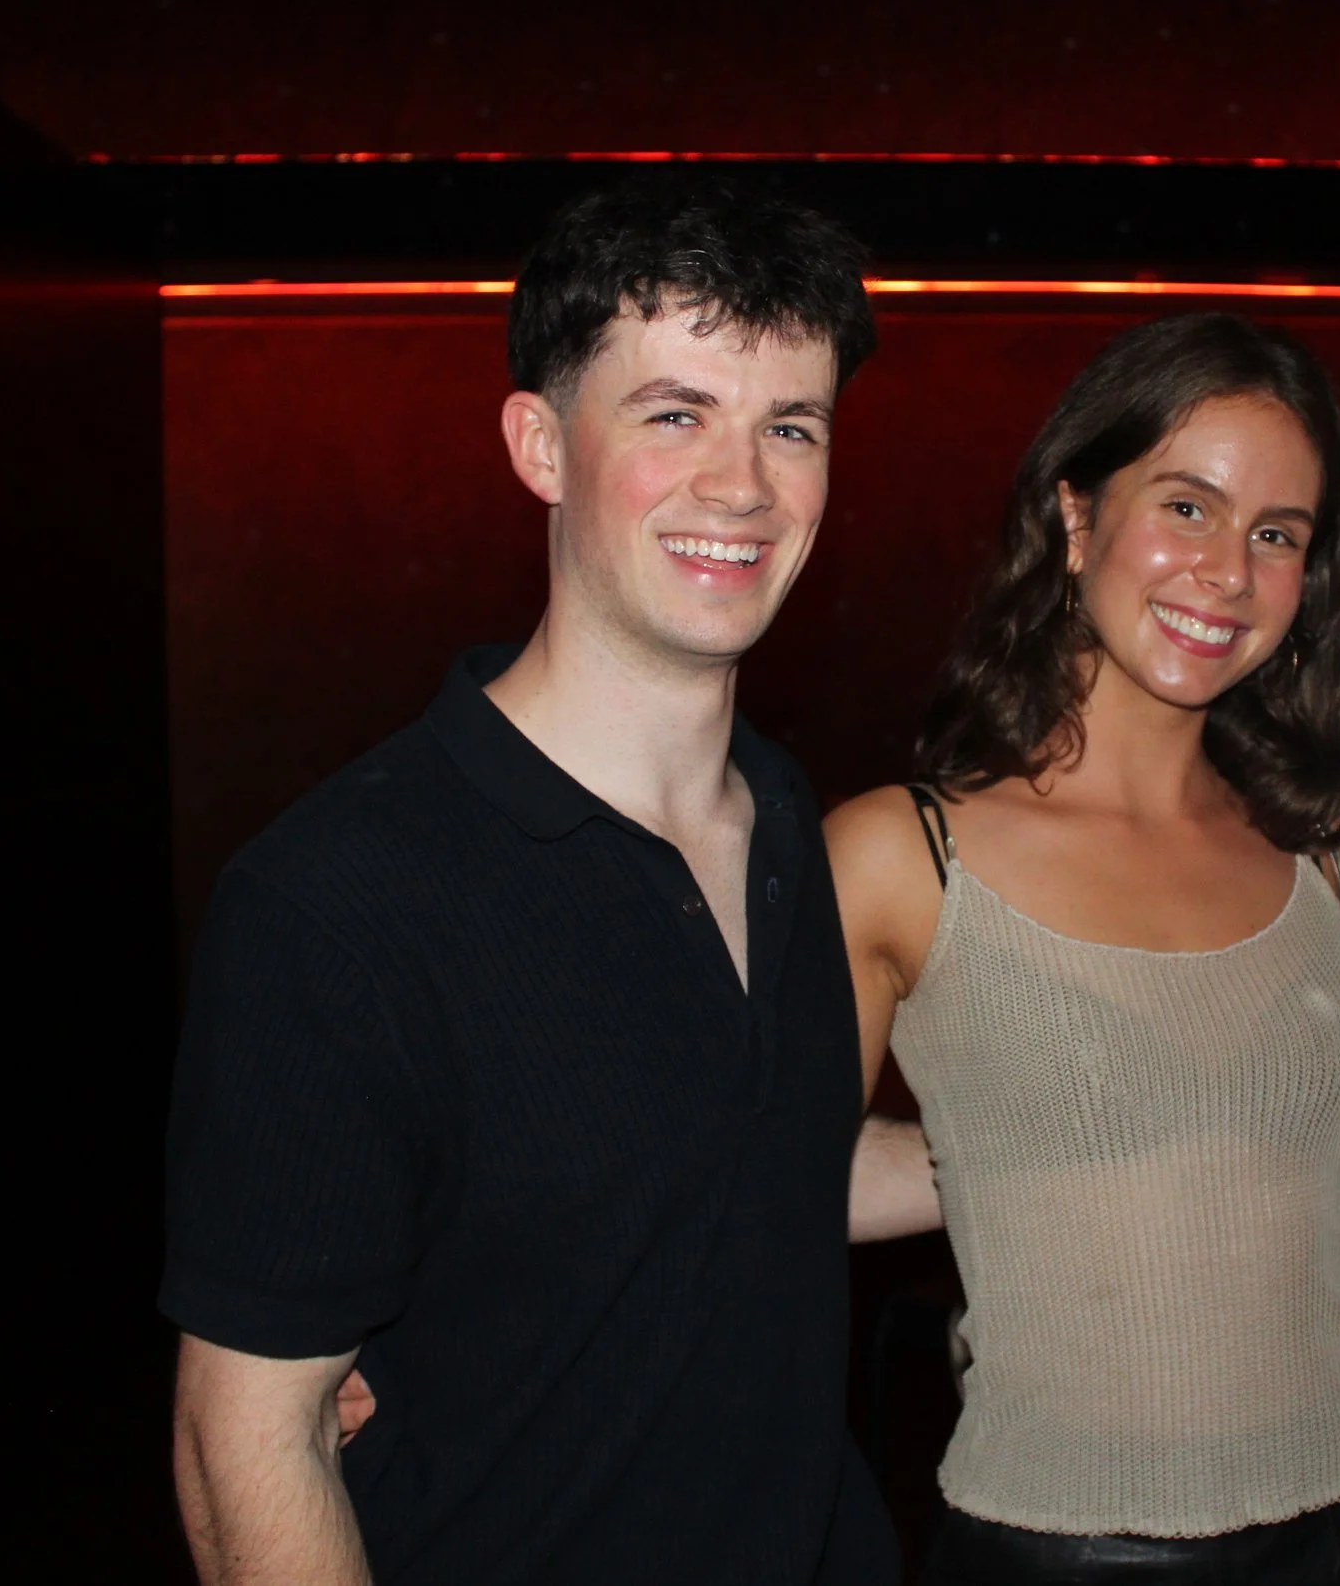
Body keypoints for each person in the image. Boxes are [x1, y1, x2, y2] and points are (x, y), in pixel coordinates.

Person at [160, 177, 898, 1585]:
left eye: (788, 426)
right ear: (542, 443)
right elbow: (245, 1438)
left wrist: (1137, 1142)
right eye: (675, 412)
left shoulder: (792, 819)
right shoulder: (339, 902)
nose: (741, 482)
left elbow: (750, 1160)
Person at [834, 313, 1340, 1582]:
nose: (1228, 570)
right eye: (1187, 505)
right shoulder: (904, 852)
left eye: (1276, 534)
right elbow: (764, 1188)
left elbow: (1306, 1163)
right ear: (1074, 517)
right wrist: (1021, 1164)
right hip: (1063, 1543)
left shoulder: (1323, 853)